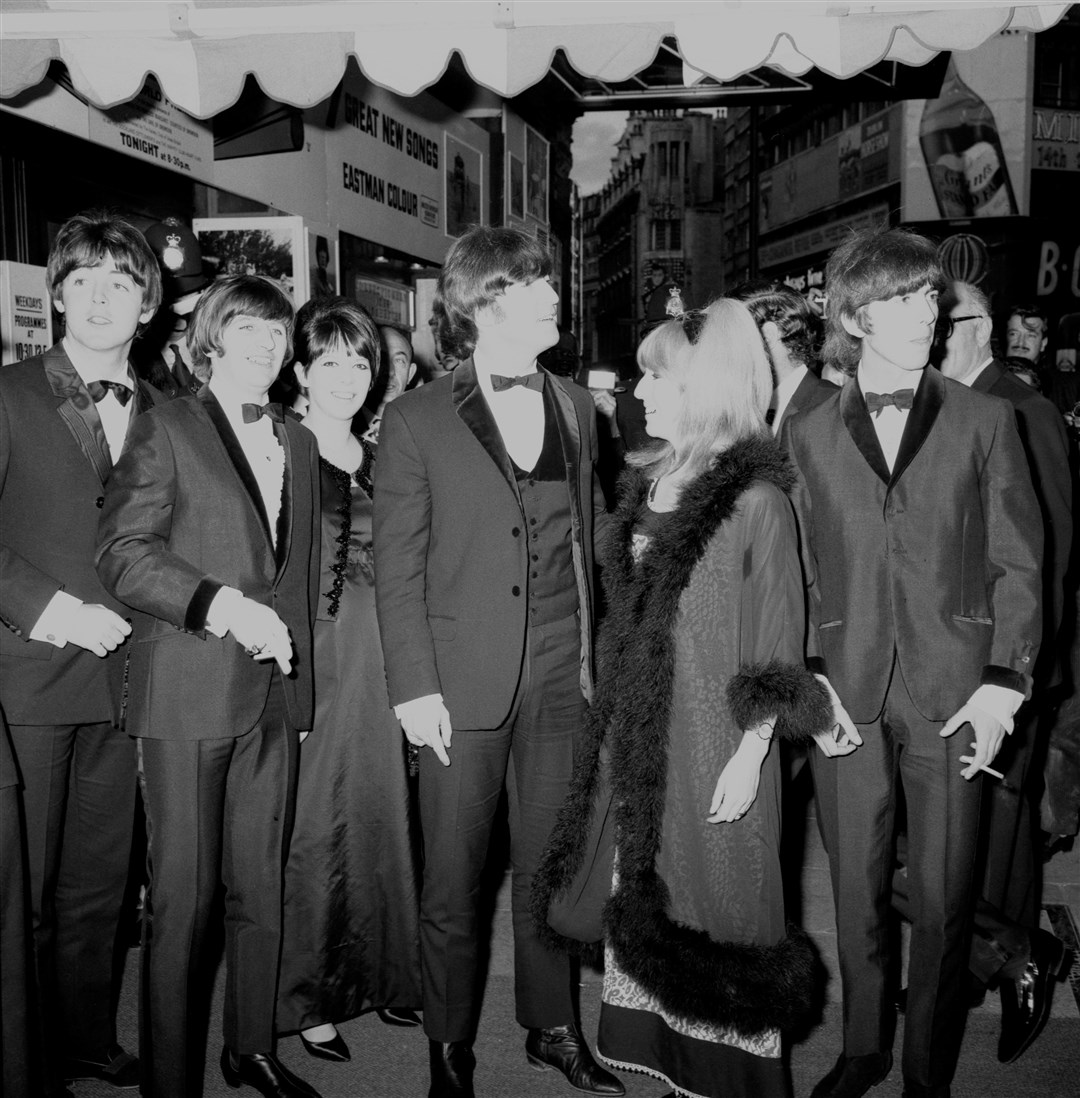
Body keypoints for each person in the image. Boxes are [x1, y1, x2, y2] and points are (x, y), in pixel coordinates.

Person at [533, 299, 834, 1098]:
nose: (641, 390)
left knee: (717, 911)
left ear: (706, 385)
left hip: (713, 748)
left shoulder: (757, 501)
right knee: (646, 902)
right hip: (641, 748)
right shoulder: (653, 479)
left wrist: (753, 748)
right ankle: (672, 1074)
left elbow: (774, 643)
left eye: (657, 374)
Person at [785, 230, 1043, 1098]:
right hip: (844, 690)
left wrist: (1004, 684)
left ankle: (927, 1073)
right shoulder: (810, 427)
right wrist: (808, 671)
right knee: (855, 891)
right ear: (855, 316)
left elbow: (1021, 559)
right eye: (900, 299)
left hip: (956, 691)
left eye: (930, 297)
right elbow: (801, 564)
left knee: (940, 902)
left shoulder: (986, 417)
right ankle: (864, 1049)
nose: (924, 313)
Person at [373, 226, 621, 1098]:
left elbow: (594, 540)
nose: (555, 296)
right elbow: (395, 568)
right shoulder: (414, 420)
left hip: (563, 674)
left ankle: (552, 1026)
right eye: (536, 284)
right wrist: (413, 687)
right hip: (457, 683)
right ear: (484, 303)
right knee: (455, 878)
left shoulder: (581, 407)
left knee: (551, 866)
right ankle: (449, 1049)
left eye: (551, 281)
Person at [96, 275, 322, 1098]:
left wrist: (300, 703)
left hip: (271, 699)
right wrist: (220, 605)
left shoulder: (296, 440)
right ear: (213, 340)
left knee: (262, 885)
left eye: (278, 331)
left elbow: (294, 579)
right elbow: (122, 552)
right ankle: (169, 1081)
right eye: (249, 330)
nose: (267, 345)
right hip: (187, 691)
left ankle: (250, 1045)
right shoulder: (166, 427)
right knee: (183, 906)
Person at [0, 209, 164, 1097]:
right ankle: (22, 1066)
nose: (101, 297)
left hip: (131, 687)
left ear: (147, 304)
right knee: (20, 895)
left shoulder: (171, 413)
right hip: (27, 679)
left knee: (99, 892)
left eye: (121, 282)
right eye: (83, 280)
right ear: (57, 295)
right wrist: (47, 608)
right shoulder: (8, 393)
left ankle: (84, 1039)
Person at [276, 297, 422, 1063]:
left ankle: (387, 976)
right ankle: (310, 996)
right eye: (327, 361)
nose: (345, 376)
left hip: (384, 662)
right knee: (314, 829)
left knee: (383, 816)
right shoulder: (278, 448)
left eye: (359, 361)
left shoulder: (382, 456)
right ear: (299, 371)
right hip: (314, 663)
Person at [931, 280, 1071, 1061]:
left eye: (942, 320)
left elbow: (1045, 558)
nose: (928, 333)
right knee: (977, 837)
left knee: (1005, 838)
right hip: (959, 666)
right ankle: (996, 966)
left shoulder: (1023, 408)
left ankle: (1013, 964)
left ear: (978, 328)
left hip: (1006, 667)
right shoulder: (946, 405)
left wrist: (1017, 675)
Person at [729, 280, 836, 436]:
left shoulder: (830, 406)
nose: (727, 351)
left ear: (768, 335)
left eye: (732, 338)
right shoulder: (745, 409)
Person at [138, 216, 211, 399]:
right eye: (167, 300)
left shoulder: (213, 351)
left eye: (184, 300)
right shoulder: (132, 360)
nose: (177, 318)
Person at [357, 324, 418, 442]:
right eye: (382, 359)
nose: (390, 372)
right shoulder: (343, 424)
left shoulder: (422, 428)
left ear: (410, 373)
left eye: (399, 361)